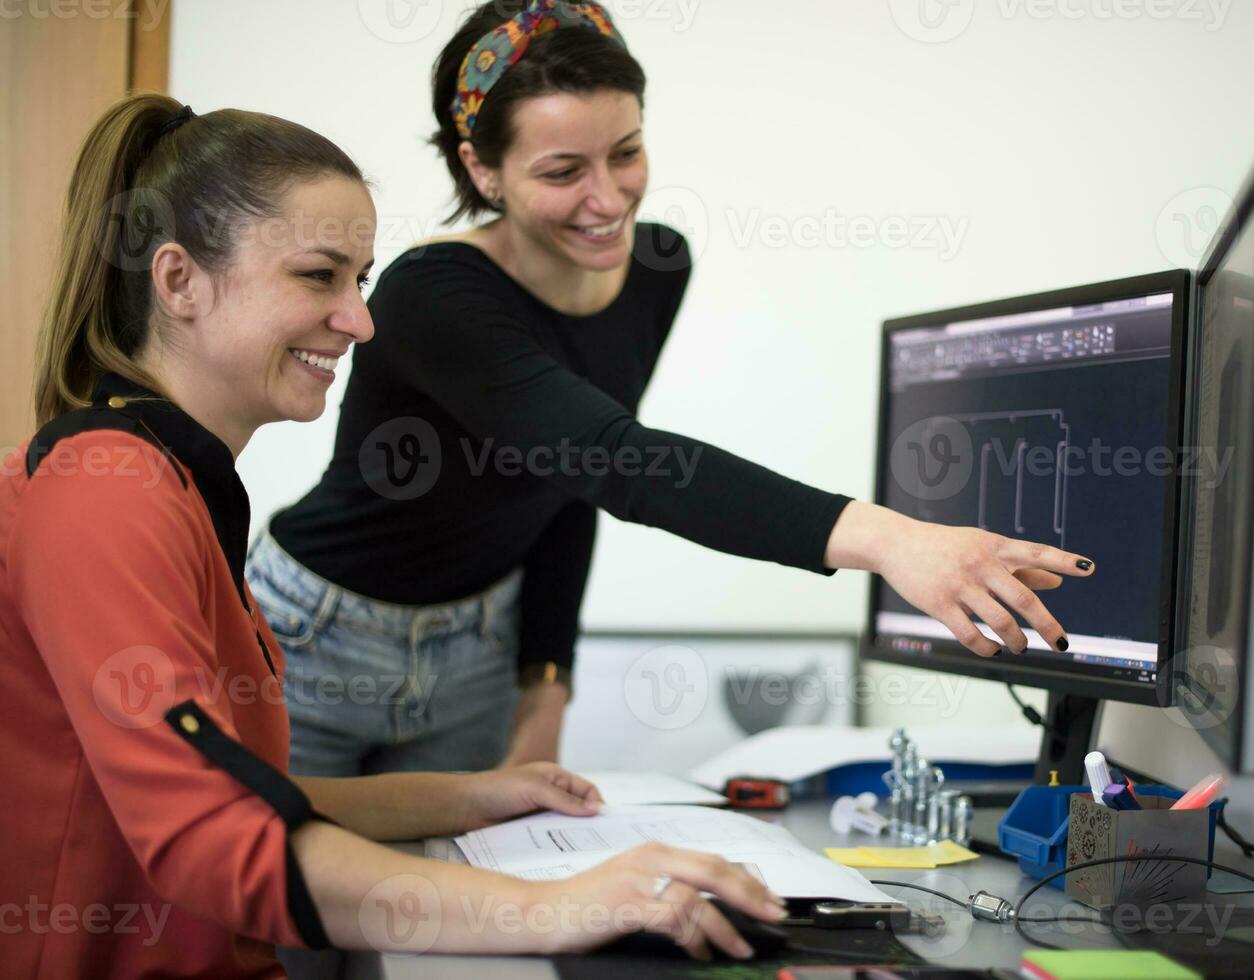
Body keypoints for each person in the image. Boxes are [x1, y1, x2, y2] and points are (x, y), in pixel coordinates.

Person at [1, 93, 787, 978]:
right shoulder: (103, 494)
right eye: (318, 275)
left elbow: (247, 791)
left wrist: (466, 796)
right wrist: (559, 906)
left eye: (362, 278)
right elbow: (214, 834)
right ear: (180, 280)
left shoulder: (175, 483)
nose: (361, 321)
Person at [254, 0, 1097, 780]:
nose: (607, 198)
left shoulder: (656, 267)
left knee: (429, 921)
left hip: (479, 648)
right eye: (561, 171)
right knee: (276, 920)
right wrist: (891, 540)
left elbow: (566, 485)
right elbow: (617, 460)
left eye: (625, 153)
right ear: (483, 170)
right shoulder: (432, 294)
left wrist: (546, 688)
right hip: (319, 637)